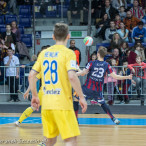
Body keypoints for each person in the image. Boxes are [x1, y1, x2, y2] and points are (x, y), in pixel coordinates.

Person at [28, 23, 87, 146]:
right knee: (70, 140)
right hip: (63, 104)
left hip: (47, 104)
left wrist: (34, 95)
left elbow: (31, 76)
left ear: (53, 37)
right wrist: (81, 97)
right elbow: (72, 76)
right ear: (68, 36)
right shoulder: (69, 53)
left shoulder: (43, 53)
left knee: (50, 140)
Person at [77, 46, 132, 124]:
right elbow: (115, 76)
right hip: (97, 90)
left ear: (98, 54)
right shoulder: (107, 65)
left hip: (87, 88)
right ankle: (113, 119)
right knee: (103, 104)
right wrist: (127, 76)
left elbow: (83, 73)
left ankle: (75, 120)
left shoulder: (91, 63)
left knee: (76, 100)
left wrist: (74, 73)